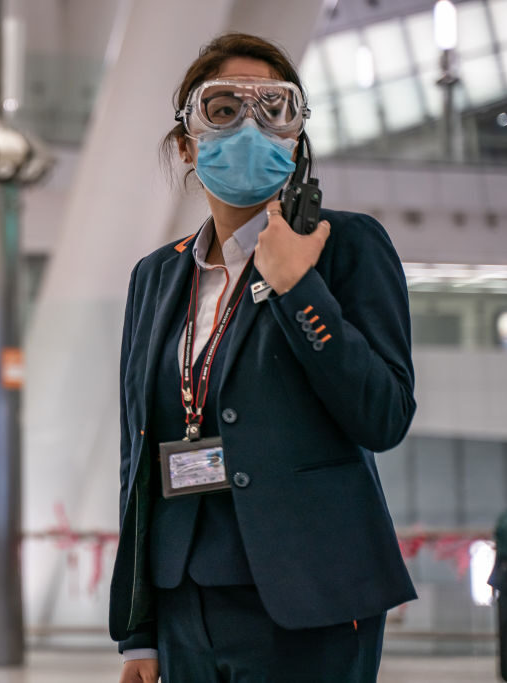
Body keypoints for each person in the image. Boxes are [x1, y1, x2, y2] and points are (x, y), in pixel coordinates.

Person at [108, 33, 417, 682]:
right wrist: (138, 629)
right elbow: (137, 451)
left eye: (273, 110)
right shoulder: (155, 276)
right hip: (185, 594)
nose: (249, 128)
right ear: (187, 143)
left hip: (312, 593)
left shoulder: (346, 245)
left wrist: (297, 286)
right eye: (223, 110)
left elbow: (383, 414)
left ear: (295, 139)